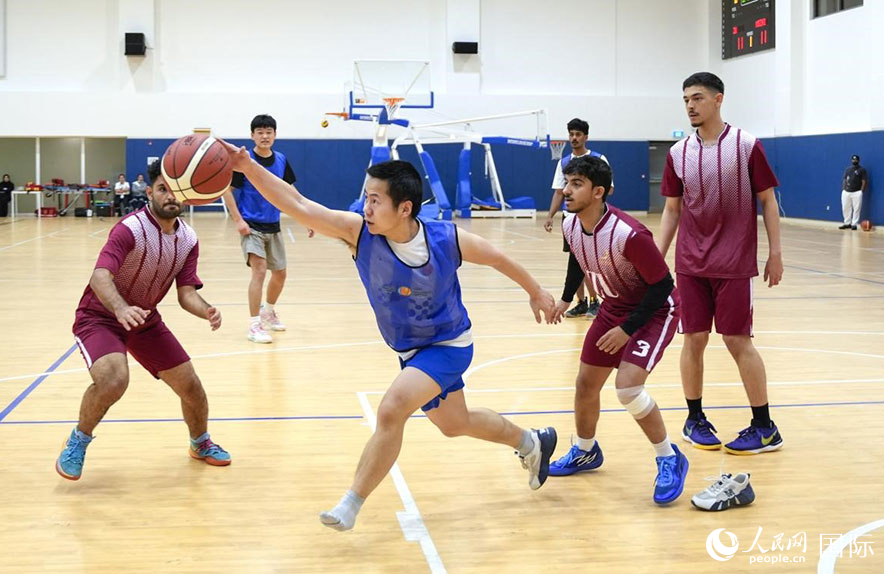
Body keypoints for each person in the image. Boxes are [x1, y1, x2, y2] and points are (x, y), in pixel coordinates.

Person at [222, 142, 558, 530]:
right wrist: (247, 167)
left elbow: (498, 257)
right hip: (411, 350)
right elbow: (297, 203)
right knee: (455, 423)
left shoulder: (447, 239)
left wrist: (536, 291)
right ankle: (531, 441)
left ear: (405, 208)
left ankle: (351, 503)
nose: (366, 207)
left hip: (449, 345)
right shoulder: (358, 233)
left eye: (376, 200)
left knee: (392, 407)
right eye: (366, 197)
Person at [56, 159, 230, 481]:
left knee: (192, 387)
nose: (170, 196)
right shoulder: (130, 229)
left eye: (175, 190)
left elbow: (186, 292)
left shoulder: (189, 239)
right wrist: (121, 309)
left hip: (145, 321)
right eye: (163, 189)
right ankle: (78, 440)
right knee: (114, 380)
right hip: (101, 317)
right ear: (150, 192)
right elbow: (99, 276)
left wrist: (206, 309)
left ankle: (200, 443)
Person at [547, 156, 688, 504]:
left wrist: (627, 330)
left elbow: (661, 286)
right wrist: (566, 299)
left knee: (628, 389)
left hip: (655, 311)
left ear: (598, 192)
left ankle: (669, 457)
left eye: (576, 183)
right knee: (585, 383)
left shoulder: (630, 234)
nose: (566, 190)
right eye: (567, 182)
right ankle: (585, 450)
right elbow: (577, 258)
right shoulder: (571, 225)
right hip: (614, 307)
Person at [657, 72, 784, 455]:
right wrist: (654, 259)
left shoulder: (746, 146)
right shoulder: (677, 153)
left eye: (697, 98)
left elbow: (768, 201)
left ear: (718, 99)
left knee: (736, 340)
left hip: (733, 262)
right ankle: (694, 418)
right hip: (691, 263)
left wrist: (775, 253)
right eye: (685, 100)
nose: (691, 106)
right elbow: (671, 209)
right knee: (693, 339)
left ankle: (764, 428)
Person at [222, 114, 296, 343]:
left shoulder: (281, 160)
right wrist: (238, 221)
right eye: (260, 132)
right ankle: (255, 324)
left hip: (274, 226)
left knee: (280, 274)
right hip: (251, 226)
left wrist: (307, 219)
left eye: (269, 132)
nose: (265, 136)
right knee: (260, 270)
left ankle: (268, 310)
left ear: (275, 135)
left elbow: (291, 193)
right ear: (252, 135)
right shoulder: (244, 161)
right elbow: (227, 191)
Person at [544, 119, 613, 319]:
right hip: (570, 221)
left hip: (593, 220)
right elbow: (559, 192)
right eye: (571, 134)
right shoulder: (564, 162)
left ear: (586, 137)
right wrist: (550, 216)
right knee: (575, 261)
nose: (574, 138)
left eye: (578, 134)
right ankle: (581, 302)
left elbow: (610, 188)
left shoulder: (599, 159)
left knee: (588, 261)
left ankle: (595, 301)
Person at [839, 154, 868, 230]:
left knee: (856, 208)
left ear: (858, 160)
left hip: (857, 192)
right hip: (846, 192)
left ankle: (854, 224)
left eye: (856, 159)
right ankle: (847, 223)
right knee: (845, 208)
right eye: (853, 159)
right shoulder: (847, 169)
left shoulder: (862, 170)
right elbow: (845, 179)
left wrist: (861, 191)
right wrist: (843, 188)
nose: (854, 161)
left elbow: (864, 181)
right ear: (851, 160)